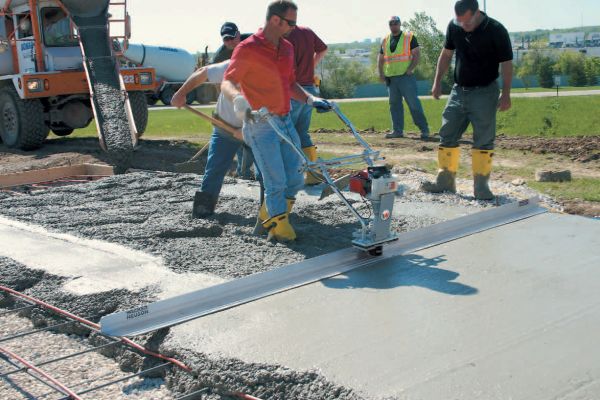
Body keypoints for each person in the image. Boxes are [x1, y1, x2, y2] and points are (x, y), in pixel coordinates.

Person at [221, 0, 332, 242]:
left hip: (284, 119)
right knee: (276, 180)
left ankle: (270, 213)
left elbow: (290, 84)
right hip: (261, 124)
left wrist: (311, 99)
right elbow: (227, 82)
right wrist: (239, 100)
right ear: (275, 20)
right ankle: (279, 229)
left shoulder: (288, 48)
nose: (294, 26)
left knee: (295, 177)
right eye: (291, 22)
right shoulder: (248, 48)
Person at [421, 0, 512, 200]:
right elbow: (446, 55)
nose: (463, 26)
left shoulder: (496, 30)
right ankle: (445, 182)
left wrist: (506, 93)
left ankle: (481, 188)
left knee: (483, 140)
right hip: (458, 91)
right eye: (459, 21)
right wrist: (437, 82)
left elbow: (506, 64)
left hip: (485, 92)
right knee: (447, 133)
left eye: (467, 22)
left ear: (477, 12)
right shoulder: (455, 26)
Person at [171, 60, 253, 218]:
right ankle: (203, 211)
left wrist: (247, 130)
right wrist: (180, 94)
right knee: (214, 169)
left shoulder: (271, 71)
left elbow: (276, 109)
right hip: (224, 127)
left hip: (257, 130)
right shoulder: (233, 64)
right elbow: (203, 72)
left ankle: (272, 214)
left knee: (268, 173)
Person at [212, 22, 255, 179]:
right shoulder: (221, 56)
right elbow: (218, 83)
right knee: (238, 135)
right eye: (226, 39)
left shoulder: (252, 41)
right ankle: (243, 171)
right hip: (235, 99)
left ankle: (255, 172)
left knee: (253, 136)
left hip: (255, 96)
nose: (230, 41)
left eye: (232, 37)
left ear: (238, 34)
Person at [286, 25, 328, 185]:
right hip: (309, 89)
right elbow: (323, 49)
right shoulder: (307, 32)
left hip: (294, 89)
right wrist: (311, 66)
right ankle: (313, 175)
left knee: (286, 133)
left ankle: (289, 176)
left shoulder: (283, 36)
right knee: (302, 132)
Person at [378, 15, 430, 139]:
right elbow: (380, 58)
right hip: (391, 78)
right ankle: (397, 131)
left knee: (413, 104)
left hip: (406, 77)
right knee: (394, 105)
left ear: (400, 24)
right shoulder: (385, 40)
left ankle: (424, 130)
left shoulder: (409, 37)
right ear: (389, 25)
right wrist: (380, 73)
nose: (393, 25)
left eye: (396, 23)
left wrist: (410, 69)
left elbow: (417, 54)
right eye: (391, 23)